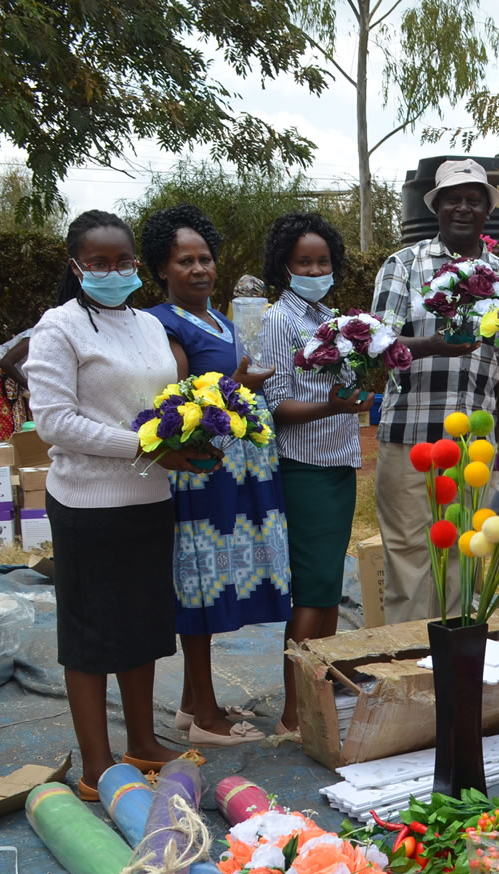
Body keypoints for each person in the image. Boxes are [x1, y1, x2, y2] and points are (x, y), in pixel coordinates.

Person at [26, 209, 217, 799]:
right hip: (87, 502)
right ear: (76, 265)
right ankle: (98, 765)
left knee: (142, 622)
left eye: (123, 261)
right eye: (99, 263)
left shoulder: (149, 325)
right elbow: (54, 422)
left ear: (138, 263)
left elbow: (161, 403)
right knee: (91, 634)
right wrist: (144, 445)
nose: (113, 271)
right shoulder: (58, 329)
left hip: (149, 494)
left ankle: (142, 741)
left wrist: (191, 434)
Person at [139, 204, 290, 746]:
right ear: (162, 269)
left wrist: (246, 382)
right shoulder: (163, 324)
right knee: (201, 584)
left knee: (221, 579)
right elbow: (175, 399)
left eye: (205, 259)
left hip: (240, 466)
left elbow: (229, 384)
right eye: (186, 261)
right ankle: (205, 716)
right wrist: (237, 384)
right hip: (203, 469)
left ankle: (188, 704)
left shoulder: (221, 319)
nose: (199, 269)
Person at [370, 159, 499, 625]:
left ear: (487, 210)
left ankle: (454, 666)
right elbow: (377, 343)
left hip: (474, 442)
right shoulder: (404, 265)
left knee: (464, 551)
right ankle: (409, 673)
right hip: (411, 434)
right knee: (411, 554)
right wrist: (432, 346)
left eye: (474, 199)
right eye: (453, 198)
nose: (463, 208)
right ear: (436, 207)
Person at [258, 212, 373, 733]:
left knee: (326, 590)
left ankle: (319, 700)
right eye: (304, 261)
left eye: (323, 260)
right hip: (304, 466)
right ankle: (293, 713)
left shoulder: (330, 319)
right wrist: (335, 407)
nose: (314, 268)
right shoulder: (280, 320)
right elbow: (275, 404)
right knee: (311, 591)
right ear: (285, 266)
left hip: (338, 464)